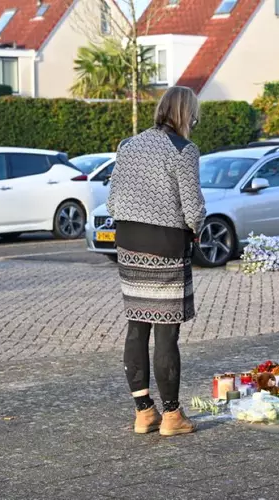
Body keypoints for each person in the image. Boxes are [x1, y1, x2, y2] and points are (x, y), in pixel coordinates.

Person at [107, 86, 206, 437]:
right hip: (166, 245)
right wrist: (196, 228)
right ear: (186, 114)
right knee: (166, 331)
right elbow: (192, 206)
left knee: (137, 325)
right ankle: (172, 416)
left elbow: (112, 202)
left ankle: (143, 412)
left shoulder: (128, 146)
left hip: (130, 243)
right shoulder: (184, 150)